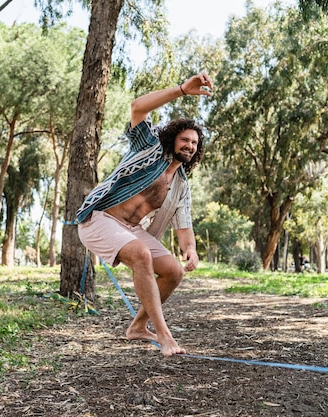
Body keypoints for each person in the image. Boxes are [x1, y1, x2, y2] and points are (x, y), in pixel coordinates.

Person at [76, 73, 213, 357]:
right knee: (141, 254)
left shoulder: (181, 186)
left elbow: (183, 226)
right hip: (99, 219)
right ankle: (164, 335)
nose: (189, 145)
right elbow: (138, 107)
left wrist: (191, 250)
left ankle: (138, 327)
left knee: (174, 272)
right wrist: (182, 90)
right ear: (173, 138)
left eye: (194, 144)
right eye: (185, 139)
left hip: (131, 228)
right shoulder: (148, 148)